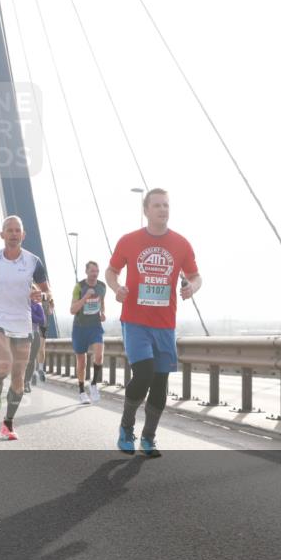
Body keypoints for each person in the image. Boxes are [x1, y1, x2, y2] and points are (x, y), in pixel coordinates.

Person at [106, 188, 201, 458]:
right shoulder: (129, 241)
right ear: (145, 210)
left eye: (166, 205)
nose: (163, 210)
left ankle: (148, 437)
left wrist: (192, 287)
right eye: (157, 205)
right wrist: (116, 288)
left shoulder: (181, 244)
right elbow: (111, 271)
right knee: (144, 374)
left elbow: (196, 276)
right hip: (135, 321)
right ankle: (126, 429)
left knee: (160, 383)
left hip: (165, 324)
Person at [0, 215, 51, 440]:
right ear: (2, 234)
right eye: (10, 230)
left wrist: (43, 295)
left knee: (18, 376)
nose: (14, 234)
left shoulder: (33, 261)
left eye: (18, 230)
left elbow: (48, 291)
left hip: (23, 322)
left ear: (23, 235)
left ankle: (8, 423)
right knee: (5, 365)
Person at [70, 261, 107, 404]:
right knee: (81, 361)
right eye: (92, 271)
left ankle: (93, 384)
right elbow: (72, 310)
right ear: (86, 272)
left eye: (97, 271)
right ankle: (81, 391)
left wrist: (103, 313)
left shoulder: (102, 287)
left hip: (95, 326)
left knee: (99, 355)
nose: (95, 273)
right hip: (80, 327)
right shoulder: (79, 287)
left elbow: (102, 302)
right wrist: (85, 297)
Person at [24, 294, 48, 393]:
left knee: (31, 359)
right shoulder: (19, 304)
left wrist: (29, 315)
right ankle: (18, 380)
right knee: (21, 359)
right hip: (20, 334)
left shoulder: (37, 306)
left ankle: (26, 382)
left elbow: (42, 321)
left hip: (34, 334)